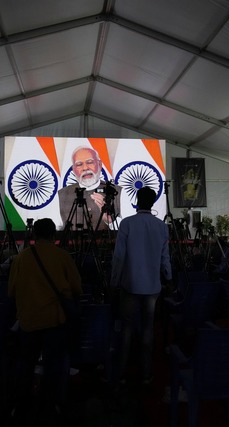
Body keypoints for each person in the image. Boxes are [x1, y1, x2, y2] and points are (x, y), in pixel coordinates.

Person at [8, 218, 82, 418]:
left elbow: (11, 291)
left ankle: (22, 405)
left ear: (33, 234)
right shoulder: (62, 256)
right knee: (54, 363)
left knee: (26, 362)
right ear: (53, 235)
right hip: (54, 320)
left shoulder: (21, 258)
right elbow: (77, 288)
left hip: (28, 320)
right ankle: (52, 405)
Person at [110, 186, 172, 385]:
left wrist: (114, 282)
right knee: (148, 330)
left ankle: (120, 374)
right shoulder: (161, 227)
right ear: (153, 203)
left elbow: (119, 257)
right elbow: (165, 259)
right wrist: (168, 278)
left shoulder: (127, 224)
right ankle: (146, 374)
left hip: (129, 285)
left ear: (137, 200)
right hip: (153, 288)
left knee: (126, 330)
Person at [58, 146, 122, 231]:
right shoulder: (61, 194)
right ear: (73, 169)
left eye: (90, 162)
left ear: (99, 164)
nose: (85, 168)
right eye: (79, 164)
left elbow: (130, 229)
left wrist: (110, 221)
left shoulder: (118, 192)